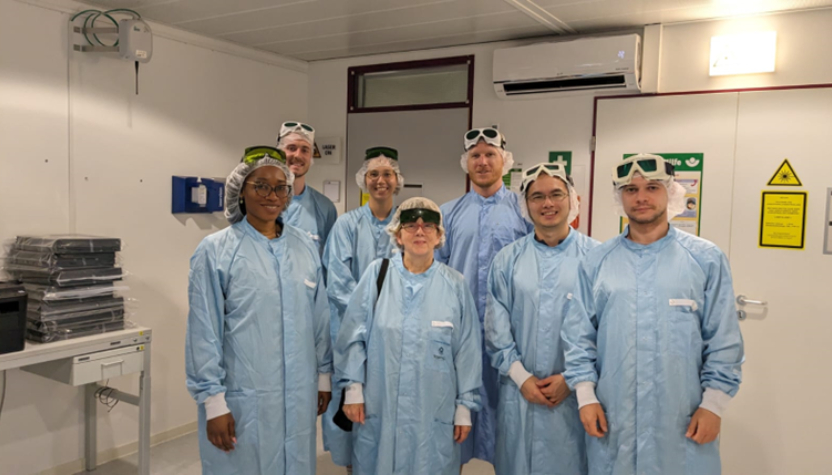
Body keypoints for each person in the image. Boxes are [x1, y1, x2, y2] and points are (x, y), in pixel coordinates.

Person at [562, 153, 744, 475]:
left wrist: (714, 405)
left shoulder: (705, 259)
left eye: (652, 187)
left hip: (682, 421)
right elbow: (579, 337)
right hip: (614, 417)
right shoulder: (597, 262)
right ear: (620, 198)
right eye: (631, 190)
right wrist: (586, 397)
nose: (641, 197)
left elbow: (723, 339)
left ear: (671, 192)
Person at [185, 146, 333, 475]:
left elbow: (320, 319)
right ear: (240, 191)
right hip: (243, 397)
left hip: (298, 394)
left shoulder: (303, 246)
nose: (272, 195)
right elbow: (203, 331)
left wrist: (323, 376)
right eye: (260, 186)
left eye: (281, 187)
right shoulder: (216, 251)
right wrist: (213, 402)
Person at [335, 198, 483, 475]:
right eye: (411, 225)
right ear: (397, 234)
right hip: (381, 406)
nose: (419, 231)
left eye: (428, 225)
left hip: (433, 412)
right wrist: (353, 389)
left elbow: (467, 350)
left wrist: (465, 406)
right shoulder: (376, 275)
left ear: (439, 236)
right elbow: (353, 335)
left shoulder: (455, 284)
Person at [485, 163, 599, 475]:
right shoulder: (507, 260)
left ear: (573, 199)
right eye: (537, 196)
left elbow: (607, 333)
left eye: (555, 194)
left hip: (577, 396)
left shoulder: (598, 259)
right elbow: (496, 330)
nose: (547, 204)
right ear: (526, 205)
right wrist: (522, 378)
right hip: (519, 395)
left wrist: (572, 379)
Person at [436, 127, 533, 468]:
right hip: (459, 334)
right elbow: (437, 274)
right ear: (466, 163)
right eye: (475, 155)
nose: (482, 161)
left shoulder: (524, 212)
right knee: (454, 420)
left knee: (508, 421)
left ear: (504, 161)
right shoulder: (448, 214)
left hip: (510, 334)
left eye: (490, 154)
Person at [321, 146, 404, 471]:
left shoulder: (410, 223)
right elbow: (338, 283)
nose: (380, 180)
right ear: (363, 180)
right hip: (351, 332)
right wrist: (373, 318)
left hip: (398, 334)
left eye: (387, 174)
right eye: (373, 174)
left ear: (397, 181)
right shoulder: (346, 225)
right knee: (352, 407)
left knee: (389, 406)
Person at [277, 121, 338, 254]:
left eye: (305, 150)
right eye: (291, 148)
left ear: (311, 157)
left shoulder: (325, 208)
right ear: (279, 152)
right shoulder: (262, 203)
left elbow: (331, 262)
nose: (298, 155)